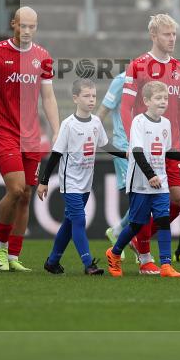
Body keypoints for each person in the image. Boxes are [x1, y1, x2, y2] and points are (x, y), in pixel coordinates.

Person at [0, 7, 60, 272]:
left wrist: (57, 129)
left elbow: (48, 97)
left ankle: (14, 255)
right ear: (13, 24)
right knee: (15, 189)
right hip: (3, 131)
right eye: (22, 26)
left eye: (31, 27)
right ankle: (0, 248)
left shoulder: (42, 57)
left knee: (25, 195)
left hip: (31, 135)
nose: (26, 31)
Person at [119, 14, 180, 275]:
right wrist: (131, 141)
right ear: (153, 36)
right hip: (147, 147)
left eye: (174, 34)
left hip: (172, 145)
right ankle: (146, 256)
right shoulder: (137, 66)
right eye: (166, 34)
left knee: (179, 199)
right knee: (146, 205)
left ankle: (139, 240)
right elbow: (126, 108)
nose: (172, 39)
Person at [106, 81, 180, 278]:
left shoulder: (166, 124)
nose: (163, 102)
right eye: (158, 98)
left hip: (160, 183)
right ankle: (115, 252)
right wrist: (150, 175)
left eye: (165, 98)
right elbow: (136, 151)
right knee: (136, 224)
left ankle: (165, 265)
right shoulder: (139, 121)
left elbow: (167, 152)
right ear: (146, 101)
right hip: (140, 183)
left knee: (163, 221)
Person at [38, 78, 125, 276]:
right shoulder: (68, 125)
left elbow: (105, 144)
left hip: (86, 183)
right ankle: (88, 263)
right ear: (75, 98)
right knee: (79, 221)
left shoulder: (95, 122)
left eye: (94, 95)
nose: (91, 100)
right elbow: (56, 155)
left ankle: (52, 261)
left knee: (69, 223)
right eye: (86, 96)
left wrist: (125, 153)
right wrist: (43, 181)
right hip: (70, 183)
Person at [99, 72, 132, 246]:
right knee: (139, 197)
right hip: (123, 147)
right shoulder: (122, 80)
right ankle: (126, 236)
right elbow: (103, 109)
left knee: (146, 199)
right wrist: (92, 134)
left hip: (144, 147)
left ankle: (121, 232)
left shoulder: (154, 79)